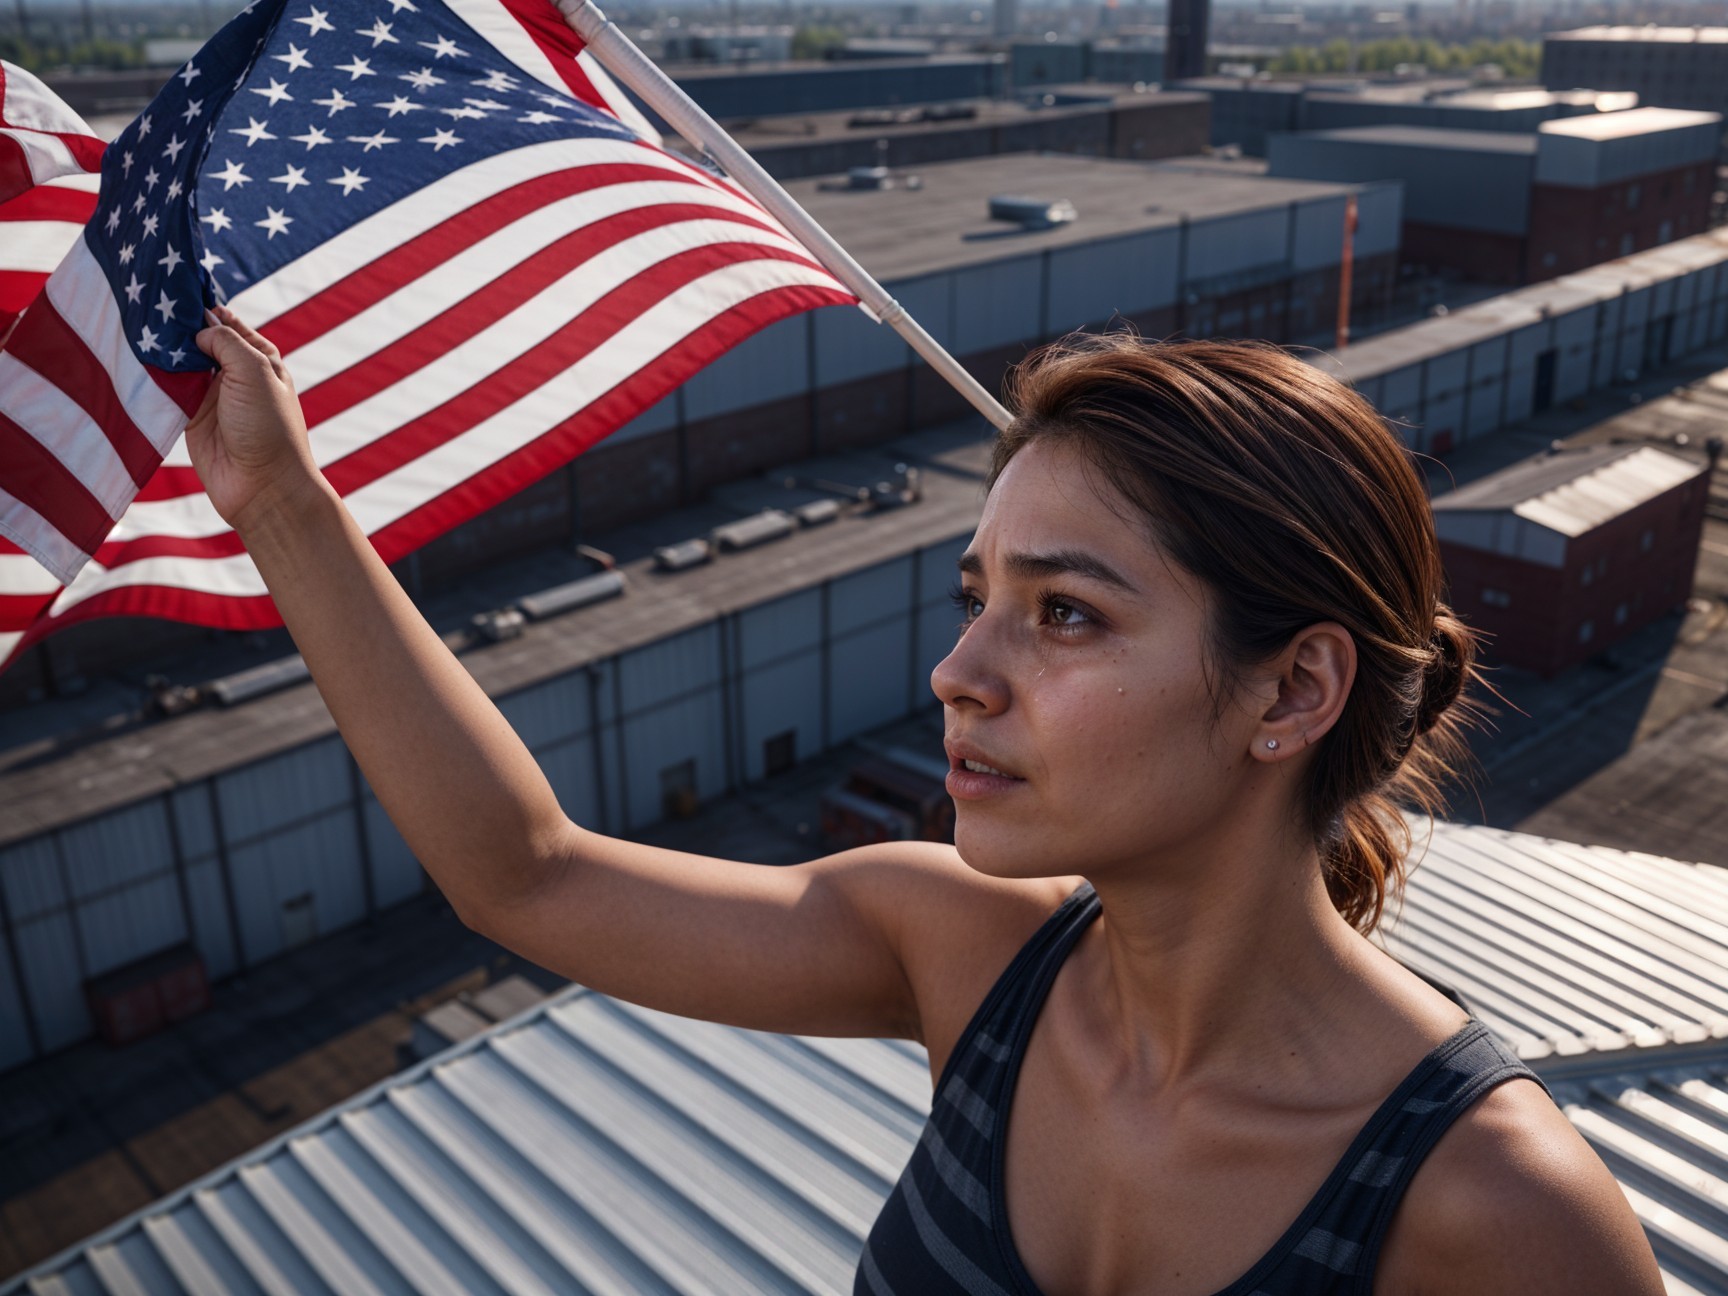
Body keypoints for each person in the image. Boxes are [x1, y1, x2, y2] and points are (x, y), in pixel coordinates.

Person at [190, 306, 1662, 1295]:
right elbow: (528, 876)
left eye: (1066, 614)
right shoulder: (963, 952)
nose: (960, 669)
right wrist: (283, 504)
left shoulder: (1498, 1214)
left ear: (1291, 694)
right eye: (977, 599)